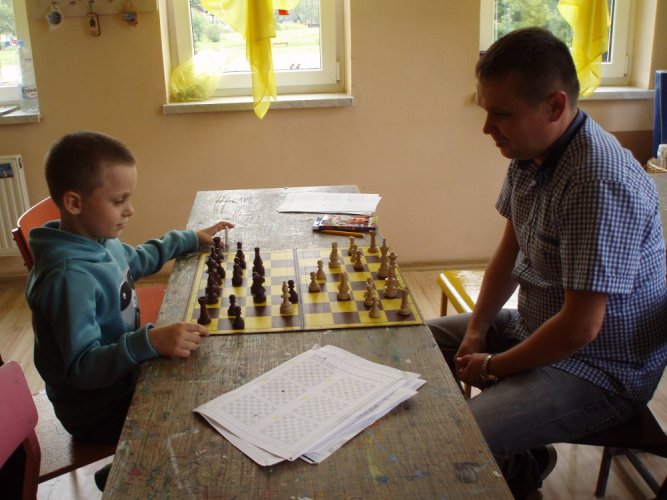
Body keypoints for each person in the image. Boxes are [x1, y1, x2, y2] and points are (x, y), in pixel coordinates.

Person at [428, 28, 667, 498]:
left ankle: (515, 472)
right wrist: (477, 330)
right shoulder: (529, 152)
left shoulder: (596, 181)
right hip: (537, 327)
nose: (487, 128)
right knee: (423, 344)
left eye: (501, 114)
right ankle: (525, 462)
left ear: (555, 107)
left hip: (599, 371)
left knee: (460, 440)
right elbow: (507, 253)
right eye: (486, 111)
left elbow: (580, 329)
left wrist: (494, 366)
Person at [26, 131, 235, 450]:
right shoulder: (68, 278)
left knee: (208, 369)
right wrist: (148, 342)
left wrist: (187, 239)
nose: (130, 210)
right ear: (74, 203)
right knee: (197, 407)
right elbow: (82, 368)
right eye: (118, 200)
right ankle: (123, 470)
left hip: (122, 377)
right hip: (97, 412)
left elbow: (135, 261)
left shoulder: (98, 240)